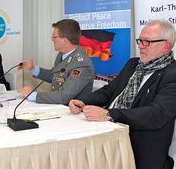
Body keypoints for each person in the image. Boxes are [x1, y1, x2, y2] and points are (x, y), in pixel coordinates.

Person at [69, 19, 176, 169]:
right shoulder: (133, 64)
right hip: (108, 131)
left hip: (139, 146)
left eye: (148, 42)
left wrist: (109, 114)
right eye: (140, 41)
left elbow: (156, 114)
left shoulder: (171, 73)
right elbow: (110, 90)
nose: (140, 46)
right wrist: (83, 101)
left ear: (166, 47)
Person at [19, 19, 94, 104]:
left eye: (54, 37)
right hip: (59, 109)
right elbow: (55, 76)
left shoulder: (81, 65)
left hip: (73, 113)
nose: (52, 40)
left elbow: (64, 96)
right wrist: (33, 68)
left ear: (65, 40)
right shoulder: (62, 54)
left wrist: (33, 95)